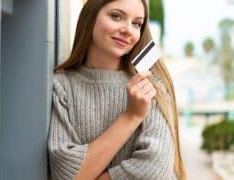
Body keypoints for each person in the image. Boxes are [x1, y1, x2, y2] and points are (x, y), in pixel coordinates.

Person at [48, 0, 186, 179]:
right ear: (91, 17)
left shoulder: (150, 87)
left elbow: (154, 169)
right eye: (116, 16)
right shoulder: (62, 86)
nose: (128, 29)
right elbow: (66, 174)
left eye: (136, 23)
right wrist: (131, 116)